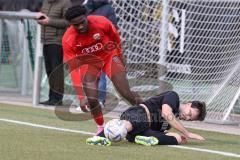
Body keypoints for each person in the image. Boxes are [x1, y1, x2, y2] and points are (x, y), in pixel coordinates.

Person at [62, 5, 142, 134]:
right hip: (89, 64)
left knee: (125, 93)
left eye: (82, 22)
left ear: (86, 17)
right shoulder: (68, 39)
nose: (81, 26)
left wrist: (120, 56)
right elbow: (73, 69)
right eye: (76, 25)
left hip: (110, 57)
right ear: (70, 24)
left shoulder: (101, 22)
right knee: (92, 99)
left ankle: (149, 111)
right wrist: (81, 96)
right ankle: (100, 128)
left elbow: (116, 38)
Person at [87, 91, 206, 146]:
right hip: (139, 114)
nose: (187, 117)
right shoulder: (173, 97)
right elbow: (166, 114)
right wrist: (187, 133)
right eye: (190, 113)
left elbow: (162, 129)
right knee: (127, 125)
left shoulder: (170, 122)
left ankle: (141, 139)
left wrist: (177, 136)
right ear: (189, 104)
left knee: (177, 138)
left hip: (143, 131)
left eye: (190, 119)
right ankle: (99, 138)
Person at [69, 0, 119, 111]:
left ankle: (99, 101)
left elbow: (113, 27)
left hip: (102, 47)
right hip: (86, 46)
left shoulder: (107, 8)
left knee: (100, 76)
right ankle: (88, 101)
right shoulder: (85, 7)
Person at [37, 0, 72, 106]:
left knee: (56, 71)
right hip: (46, 40)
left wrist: (49, 21)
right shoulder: (45, 2)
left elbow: (68, 22)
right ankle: (51, 97)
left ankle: (57, 99)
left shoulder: (65, 3)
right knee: (49, 70)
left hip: (58, 42)